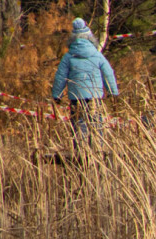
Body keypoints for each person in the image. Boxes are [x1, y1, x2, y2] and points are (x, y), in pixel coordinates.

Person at [50, 18, 119, 152]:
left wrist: (56, 95)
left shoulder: (68, 57)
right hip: (95, 98)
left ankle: (80, 152)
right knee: (96, 124)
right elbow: (108, 73)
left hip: (76, 98)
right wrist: (113, 92)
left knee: (78, 125)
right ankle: (97, 151)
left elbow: (60, 77)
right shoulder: (97, 55)